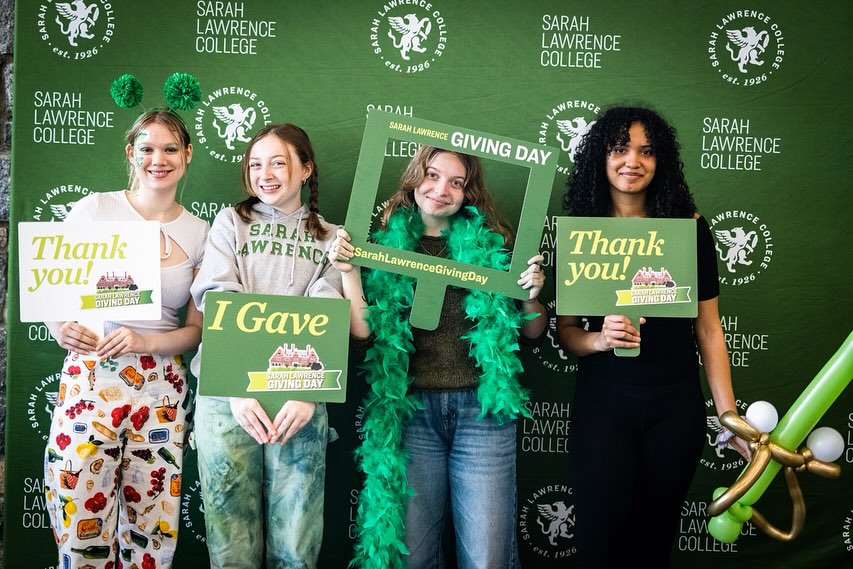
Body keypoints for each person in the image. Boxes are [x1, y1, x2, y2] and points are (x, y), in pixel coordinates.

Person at [330, 145, 547, 569]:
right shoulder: (379, 247)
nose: (441, 189)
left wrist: (531, 297)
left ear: (469, 193)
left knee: (487, 556)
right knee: (415, 554)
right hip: (412, 415)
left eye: (456, 182)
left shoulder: (498, 248)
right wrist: (349, 273)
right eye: (432, 175)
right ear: (415, 178)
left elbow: (535, 331)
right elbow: (364, 333)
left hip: (482, 415)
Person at [554, 105, 751, 569]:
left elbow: (708, 328)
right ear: (600, 158)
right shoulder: (582, 232)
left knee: (652, 550)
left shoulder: (689, 227)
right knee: (600, 550)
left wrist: (729, 416)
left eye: (647, 152)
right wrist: (599, 340)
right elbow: (565, 335)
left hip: (674, 412)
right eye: (620, 149)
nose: (632, 162)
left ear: (661, 162)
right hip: (602, 412)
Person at [189, 123, 369, 569]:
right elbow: (218, 300)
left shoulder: (332, 237)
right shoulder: (230, 222)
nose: (264, 174)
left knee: (296, 546)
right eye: (255, 164)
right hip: (228, 397)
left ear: (305, 169)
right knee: (231, 544)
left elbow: (330, 316)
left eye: (277, 162)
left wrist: (306, 392)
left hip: (300, 398)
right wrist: (235, 386)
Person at [43, 109, 209, 568]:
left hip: (161, 390)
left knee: (152, 526)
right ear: (131, 154)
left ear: (188, 154)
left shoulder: (200, 234)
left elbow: (195, 331)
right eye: (148, 148)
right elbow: (50, 285)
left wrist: (144, 342)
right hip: (91, 377)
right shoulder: (95, 208)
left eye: (171, 148)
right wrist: (62, 328)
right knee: (80, 514)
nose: (159, 159)